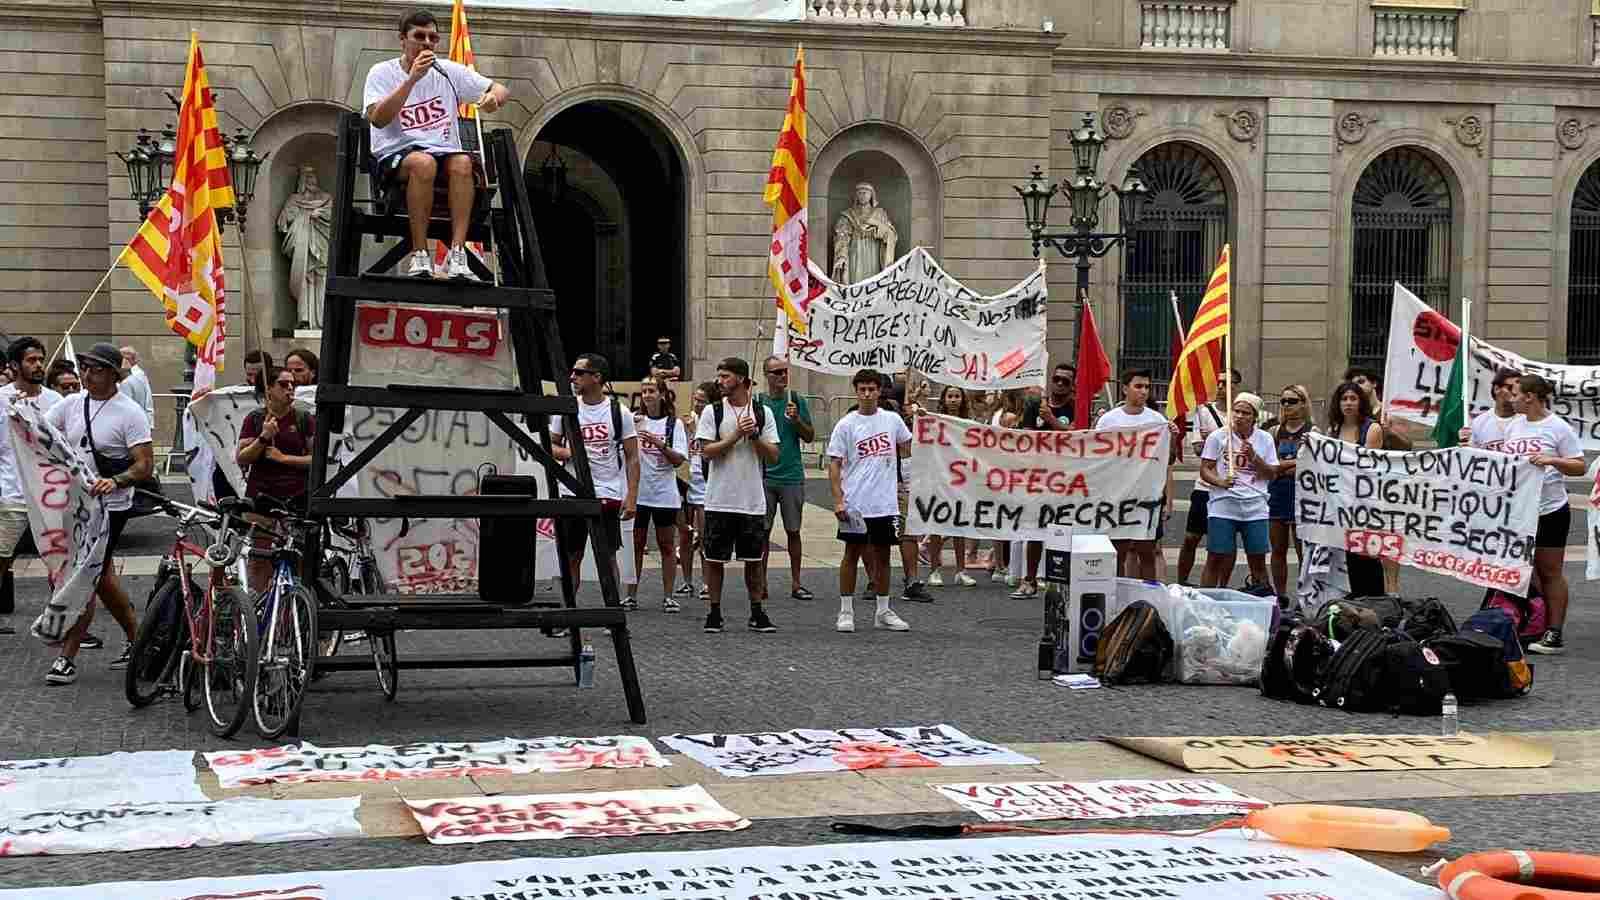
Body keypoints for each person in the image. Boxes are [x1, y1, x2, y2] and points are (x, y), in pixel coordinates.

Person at [364, 8, 511, 280]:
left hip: (444, 153)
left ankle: (458, 253)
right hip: (398, 155)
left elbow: (500, 89)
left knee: (463, 163)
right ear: (403, 39)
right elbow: (378, 119)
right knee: (424, 163)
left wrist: (493, 98)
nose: (427, 43)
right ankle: (420, 255)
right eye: (419, 36)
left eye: (433, 38)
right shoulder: (381, 72)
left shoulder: (448, 71)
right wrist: (412, 80)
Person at [41, 343, 153, 684]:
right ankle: (138, 638)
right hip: (74, 506)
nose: (87, 375)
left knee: (85, 577)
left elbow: (144, 465)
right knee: (101, 579)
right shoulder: (72, 404)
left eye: (96, 369)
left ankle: (67, 657)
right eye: (85, 368)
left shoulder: (129, 413)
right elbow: (42, 434)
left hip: (111, 509)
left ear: (114, 375)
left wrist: (115, 480)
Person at [695, 357, 780, 634]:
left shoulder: (762, 412)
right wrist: (734, 435)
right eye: (719, 376)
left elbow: (774, 455)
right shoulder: (712, 411)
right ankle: (714, 612)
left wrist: (754, 435)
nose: (720, 381)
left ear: (742, 379)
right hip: (719, 498)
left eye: (726, 376)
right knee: (715, 559)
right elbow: (706, 451)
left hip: (751, 499)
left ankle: (757, 612)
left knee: (753, 561)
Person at [549, 352, 640, 607]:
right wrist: (569, 453)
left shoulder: (618, 412)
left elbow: (633, 457)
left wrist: (631, 497)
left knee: (607, 556)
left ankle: (613, 613)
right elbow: (551, 446)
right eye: (573, 372)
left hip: (607, 493)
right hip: (573, 492)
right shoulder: (565, 408)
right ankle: (568, 613)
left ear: (597, 377)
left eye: (579, 373)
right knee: (571, 557)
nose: (572, 377)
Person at [1503, 374, 1584, 655]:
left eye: (1515, 394)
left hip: (1550, 510)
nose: (1510, 399)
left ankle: (1554, 631)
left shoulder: (1557, 428)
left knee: (1550, 572)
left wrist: (1552, 460)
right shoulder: (1514, 425)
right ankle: (1530, 623)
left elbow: (1579, 466)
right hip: (1519, 511)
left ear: (1530, 397)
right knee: (1523, 570)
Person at [828, 369, 912, 633]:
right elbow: (834, 464)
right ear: (856, 391)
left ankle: (883, 610)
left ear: (879, 391)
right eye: (862, 389)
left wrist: (920, 418)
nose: (866, 394)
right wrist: (838, 499)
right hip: (855, 503)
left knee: (883, 557)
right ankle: (845, 611)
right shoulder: (846, 424)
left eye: (871, 389)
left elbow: (908, 447)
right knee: (851, 555)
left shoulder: (892, 420)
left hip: (885, 503)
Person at [0, 337, 65, 636]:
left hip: (51, 496)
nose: (38, 365)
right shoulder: (1, 399)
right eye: (31, 360)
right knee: (2, 557)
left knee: (62, 561)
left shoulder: (56, 402)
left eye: (41, 359)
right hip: (11, 492)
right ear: (14, 366)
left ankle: (65, 619)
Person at [235, 367, 315, 592]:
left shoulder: (304, 418)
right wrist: (263, 438)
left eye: (293, 384)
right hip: (260, 499)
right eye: (283, 384)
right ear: (269, 389)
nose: (290, 388)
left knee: (299, 558)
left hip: (296, 499)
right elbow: (242, 457)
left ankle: (297, 606)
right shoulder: (255, 419)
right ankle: (259, 608)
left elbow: (316, 459)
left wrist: (284, 458)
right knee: (259, 558)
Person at [1095, 368, 1175, 580]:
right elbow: (1097, 458)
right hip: (1117, 496)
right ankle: (1118, 598)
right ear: (1124, 389)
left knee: (1147, 551)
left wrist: (1172, 438)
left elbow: (1166, 460)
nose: (1144, 391)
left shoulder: (1157, 420)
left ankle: (1148, 601)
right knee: (1118, 551)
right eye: (1138, 386)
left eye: (1147, 387)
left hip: (1148, 496)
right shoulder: (1108, 421)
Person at [1198, 392, 1278, 590]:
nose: (1239, 416)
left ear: (1255, 417)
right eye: (1236, 411)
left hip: (1255, 507)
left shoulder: (1265, 439)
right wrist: (1220, 482)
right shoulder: (1218, 437)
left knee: (1258, 560)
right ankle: (1206, 600)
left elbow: (1272, 473)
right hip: (1223, 505)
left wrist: (1254, 457)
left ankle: (1264, 600)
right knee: (1216, 557)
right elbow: (1205, 469)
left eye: (1246, 413)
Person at [1010, 362, 1075, 599]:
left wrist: (1052, 420)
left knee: (1062, 531)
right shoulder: (1035, 404)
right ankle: (1029, 580)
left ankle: (1059, 580)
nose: (1059, 384)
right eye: (1056, 379)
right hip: (1037, 477)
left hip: (1066, 478)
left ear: (1072, 385)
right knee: (1034, 529)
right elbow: (1025, 437)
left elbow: (1079, 437)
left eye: (1065, 381)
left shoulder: (1075, 406)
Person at [757, 355, 815, 602]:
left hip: (791, 475)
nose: (782, 376)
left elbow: (810, 436)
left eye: (784, 372)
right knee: (762, 534)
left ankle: (796, 582)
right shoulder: (758, 402)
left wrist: (797, 420)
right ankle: (761, 583)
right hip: (765, 476)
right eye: (776, 372)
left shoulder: (797, 400)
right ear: (766, 376)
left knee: (793, 531)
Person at [1177, 368, 1238, 587]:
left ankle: (1222, 586)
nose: (1221, 387)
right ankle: (1181, 582)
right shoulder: (1203, 411)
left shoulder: (1241, 413)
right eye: (1218, 383)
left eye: (1226, 383)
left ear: (1235, 386)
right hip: (1204, 487)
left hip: (1232, 489)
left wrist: (1213, 442)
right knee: (1191, 537)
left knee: (1225, 543)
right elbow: (1198, 449)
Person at [630, 380, 687, 612]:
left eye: (651, 391)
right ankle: (630, 595)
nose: (647, 395)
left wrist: (659, 444)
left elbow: (678, 460)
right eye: (643, 392)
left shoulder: (674, 424)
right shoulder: (635, 421)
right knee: (635, 544)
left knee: (666, 545)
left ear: (662, 395)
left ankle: (668, 595)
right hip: (639, 492)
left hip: (664, 493)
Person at [1326, 381, 1385, 597]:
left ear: (1360, 402)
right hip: (1339, 504)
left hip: (1363, 504)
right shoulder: (1333, 430)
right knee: (1344, 557)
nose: (1348, 403)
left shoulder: (1372, 428)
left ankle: (1374, 599)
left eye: (1353, 398)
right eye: (1344, 399)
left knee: (1366, 555)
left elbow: (1368, 467)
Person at [1265, 384, 1316, 604]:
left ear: (1304, 403)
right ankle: (1281, 595)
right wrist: (1289, 466)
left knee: (1303, 550)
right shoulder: (1274, 431)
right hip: (1277, 494)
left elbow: (1312, 465)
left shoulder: (1313, 431)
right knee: (1278, 549)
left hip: (1303, 496)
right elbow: (1270, 465)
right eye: (1283, 401)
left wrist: (1283, 466)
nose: (1286, 405)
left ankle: (1308, 595)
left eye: (1292, 401)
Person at [924, 386, 979, 587]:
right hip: (940, 478)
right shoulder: (936, 421)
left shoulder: (967, 425)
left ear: (962, 400)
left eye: (957, 396)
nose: (954, 400)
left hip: (961, 481)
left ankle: (961, 570)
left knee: (959, 526)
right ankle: (934, 569)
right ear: (944, 399)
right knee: (937, 525)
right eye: (950, 396)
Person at [889, 380, 935, 603]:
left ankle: (912, 579)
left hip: (900, 482)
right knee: (868, 537)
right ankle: (874, 580)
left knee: (907, 533)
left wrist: (922, 421)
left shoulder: (901, 421)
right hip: (874, 484)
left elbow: (909, 446)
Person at [675, 381, 719, 604]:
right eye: (696, 400)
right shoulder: (687, 418)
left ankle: (706, 582)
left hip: (704, 484)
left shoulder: (713, 421)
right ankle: (686, 580)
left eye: (703, 401)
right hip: (686, 480)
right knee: (684, 534)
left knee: (703, 537)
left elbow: (710, 454)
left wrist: (694, 432)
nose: (698, 404)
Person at [1462, 368, 1519, 451]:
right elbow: (1473, 455)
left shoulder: (1528, 419)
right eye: (1510, 387)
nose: (1515, 392)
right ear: (1497, 389)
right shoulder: (1479, 423)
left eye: (1519, 388)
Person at [118, 346, 155, 429]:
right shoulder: (140, 374)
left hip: (132, 424)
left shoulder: (128, 380)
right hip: (141, 421)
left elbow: (126, 406)